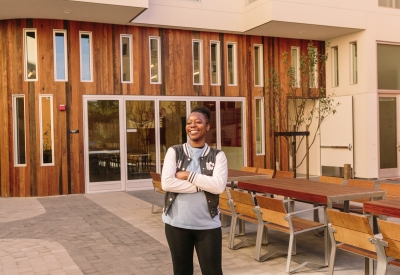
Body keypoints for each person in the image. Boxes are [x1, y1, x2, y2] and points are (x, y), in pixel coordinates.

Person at [161, 106, 228, 275]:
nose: (193, 125)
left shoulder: (218, 156)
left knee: (213, 271)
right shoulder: (174, 151)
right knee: (182, 271)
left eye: (198, 122)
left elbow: (219, 186)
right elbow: (167, 184)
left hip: (207, 226)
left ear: (207, 126)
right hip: (176, 224)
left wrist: (188, 175)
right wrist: (203, 184)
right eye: (190, 122)